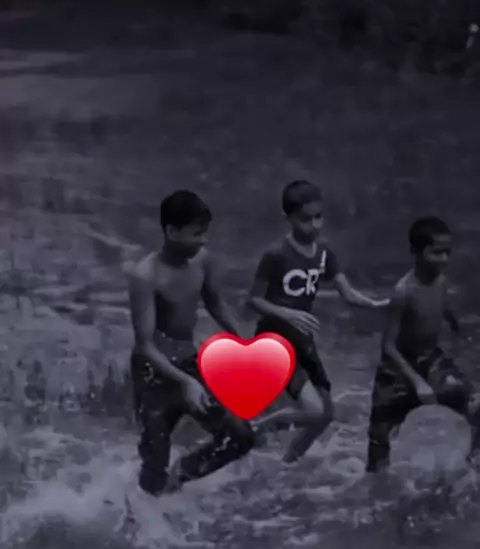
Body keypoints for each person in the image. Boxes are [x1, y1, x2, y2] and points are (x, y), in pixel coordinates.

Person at [248, 179, 389, 463]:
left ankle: (288, 463)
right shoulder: (276, 255)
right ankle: (253, 430)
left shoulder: (324, 255)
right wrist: (287, 313)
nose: (314, 225)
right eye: (305, 219)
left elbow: (348, 294)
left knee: (325, 415)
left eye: (318, 217)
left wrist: (377, 305)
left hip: (302, 342)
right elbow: (253, 300)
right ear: (288, 218)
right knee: (313, 410)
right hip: (274, 342)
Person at [126, 189, 254, 496]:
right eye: (196, 234)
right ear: (172, 232)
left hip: (189, 363)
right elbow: (145, 345)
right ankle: (137, 509)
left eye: (204, 232)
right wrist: (186, 382)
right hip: (153, 375)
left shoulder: (201, 261)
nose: (203, 241)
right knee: (154, 467)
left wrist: (244, 341)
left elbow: (214, 302)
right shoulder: (145, 276)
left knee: (240, 436)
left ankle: (182, 473)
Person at [366, 216, 480, 474]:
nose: (444, 259)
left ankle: (469, 466)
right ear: (415, 252)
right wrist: (418, 382)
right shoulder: (403, 291)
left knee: (475, 404)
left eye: (447, 252)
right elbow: (388, 346)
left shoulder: (441, 281)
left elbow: (445, 309)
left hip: (430, 359)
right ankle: (377, 488)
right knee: (379, 446)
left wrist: (460, 329)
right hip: (396, 371)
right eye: (436, 252)